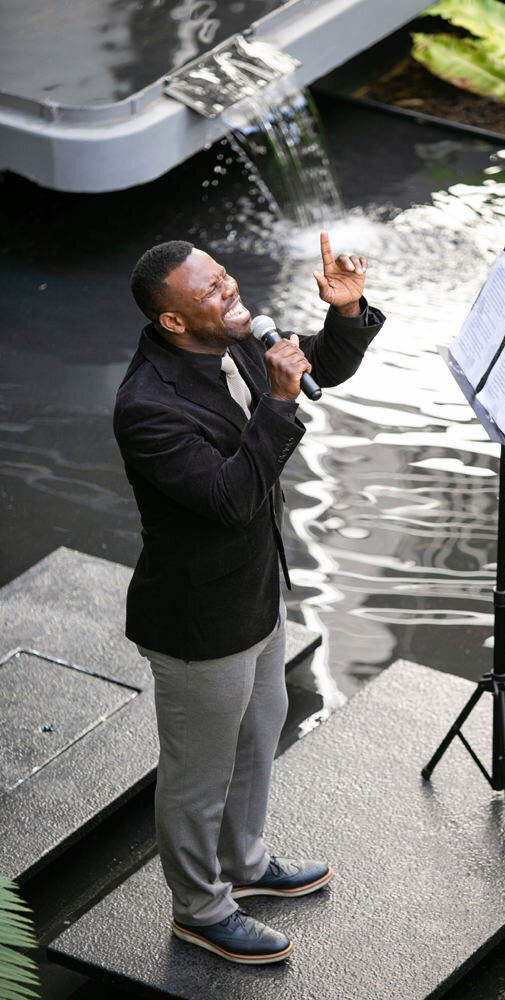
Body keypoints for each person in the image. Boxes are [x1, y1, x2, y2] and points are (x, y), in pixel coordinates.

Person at [113, 232, 385, 965]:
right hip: (198, 619)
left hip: (256, 591)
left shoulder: (229, 338)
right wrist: (278, 399)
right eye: (210, 289)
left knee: (259, 732)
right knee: (199, 773)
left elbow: (315, 366)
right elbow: (233, 499)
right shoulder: (148, 406)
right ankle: (198, 909)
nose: (229, 291)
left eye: (223, 275)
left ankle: (243, 861)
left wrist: (345, 310)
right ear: (173, 320)